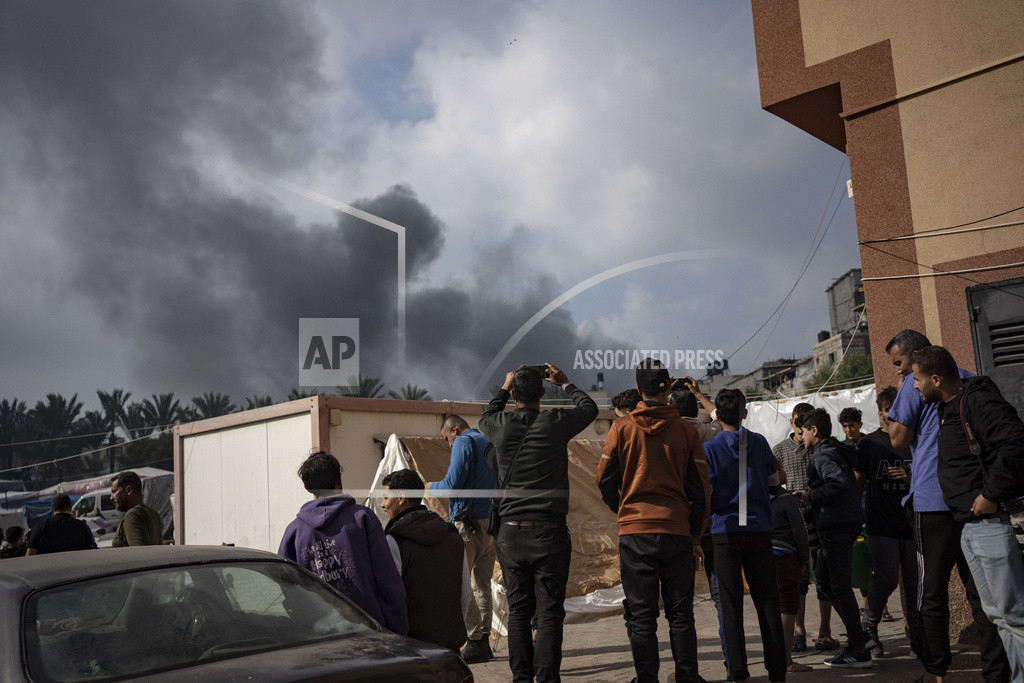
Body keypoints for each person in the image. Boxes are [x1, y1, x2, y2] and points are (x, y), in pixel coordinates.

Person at [886, 329, 1010, 683]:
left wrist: (895, 415)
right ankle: (996, 674)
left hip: (931, 500)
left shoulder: (916, 384)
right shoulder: (970, 380)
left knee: (932, 593)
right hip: (974, 500)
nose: (901, 374)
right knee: (983, 595)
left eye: (900, 364)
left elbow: (897, 438)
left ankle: (936, 673)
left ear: (917, 358)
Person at [478, 363, 597, 683]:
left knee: (518, 612)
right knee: (548, 615)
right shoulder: (555, 422)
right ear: (543, 393)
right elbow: (589, 408)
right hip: (550, 533)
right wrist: (566, 383)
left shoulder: (498, 425)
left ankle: (521, 678)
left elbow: (485, 417)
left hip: (511, 534)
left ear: (514, 394)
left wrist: (504, 387)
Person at [913, 345, 1024, 681]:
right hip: (969, 525)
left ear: (936, 378)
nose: (914, 386)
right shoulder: (948, 408)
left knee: (1013, 616)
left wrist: (991, 494)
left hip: (989, 523)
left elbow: (1017, 443)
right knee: (998, 616)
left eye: (916, 379)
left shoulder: (976, 400)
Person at [596, 358, 711, 683]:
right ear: (669, 387)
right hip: (676, 533)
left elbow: (603, 480)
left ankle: (647, 679)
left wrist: (624, 509)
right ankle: (687, 676)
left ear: (637, 389)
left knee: (642, 616)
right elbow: (701, 490)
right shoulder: (687, 431)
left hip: (635, 534)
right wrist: (696, 536)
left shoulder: (621, 428)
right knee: (680, 614)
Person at [703, 388, 788, 683]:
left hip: (725, 531)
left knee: (730, 603)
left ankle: (737, 669)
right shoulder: (759, 442)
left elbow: (707, 491)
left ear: (717, 414)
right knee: (767, 602)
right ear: (745, 413)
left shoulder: (711, 449)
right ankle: (777, 669)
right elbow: (774, 478)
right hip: (759, 529)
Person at [278, 451, 409, 635]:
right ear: (339, 478)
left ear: (307, 487)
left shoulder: (294, 532)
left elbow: (288, 589)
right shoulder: (362, 519)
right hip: (370, 634)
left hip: (319, 637)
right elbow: (388, 582)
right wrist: (398, 631)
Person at [797, 408, 871, 668]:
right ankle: (858, 636)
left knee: (838, 585)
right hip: (840, 523)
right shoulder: (832, 449)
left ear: (814, 431)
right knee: (826, 583)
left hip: (836, 526)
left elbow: (837, 483)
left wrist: (810, 497)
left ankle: (859, 648)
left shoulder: (824, 453)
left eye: (803, 431)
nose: (801, 435)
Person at [427, 414, 498, 663]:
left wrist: (429, 487)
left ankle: (475, 640)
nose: (448, 445)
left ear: (454, 430)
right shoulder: (489, 440)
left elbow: (451, 485)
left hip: (468, 525)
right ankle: (485, 641)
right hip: (492, 523)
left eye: (447, 439)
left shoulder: (462, 442)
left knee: (460, 585)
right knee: (482, 584)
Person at [854, 386, 918, 656]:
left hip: (913, 524)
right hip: (881, 524)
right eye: (887, 412)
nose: (891, 417)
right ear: (879, 412)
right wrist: (854, 518)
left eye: (896, 411)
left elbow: (927, 481)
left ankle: (918, 639)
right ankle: (869, 625)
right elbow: (858, 483)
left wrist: (908, 478)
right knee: (887, 578)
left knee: (916, 585)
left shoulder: (914, 440)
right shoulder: (868, 444)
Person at [381, 468, 469, 653]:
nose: (382, 505)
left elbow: (392, 601)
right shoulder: (452, 535)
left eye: (386, 498)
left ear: (401, 497)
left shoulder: (395, 540)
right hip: (450, 646)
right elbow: (466, 594)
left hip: (414, 648)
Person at [772, 402, 821, 652]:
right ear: (792, 422)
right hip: (792, 524)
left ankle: (825, 631)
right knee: (798, 582)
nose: (801, 423)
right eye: (797, 419)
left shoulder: (818, 447)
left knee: (824, 577)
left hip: (819, 520)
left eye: (806, 419)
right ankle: (799, 631)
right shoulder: (779, 450)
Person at [771, 481, 812, 673]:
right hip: (785, 558)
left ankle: (773, 658)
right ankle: (786, 661)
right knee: (787, 607)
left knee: (770, 608)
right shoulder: (786, 500)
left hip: (761, 558)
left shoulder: (752, 499)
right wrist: (804, 560)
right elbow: (800, 533)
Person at [25, 493, 96, 555]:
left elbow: (30, 554)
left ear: (52, 510)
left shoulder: (41, 526)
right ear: (71, 508)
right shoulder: (82, 526)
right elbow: (91, 551)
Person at [110, 471, 162, 547]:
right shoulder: (153, 514)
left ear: (128, 490)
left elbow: (140, 553)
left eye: (114, 492)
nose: (111, 498)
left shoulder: (133, 515)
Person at [668, 375, 723, 443]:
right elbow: (720, 415)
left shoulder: (662, 431)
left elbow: (651, 414)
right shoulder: (711, 432)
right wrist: (698, 394)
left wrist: (663, 394)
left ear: (671, 412)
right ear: (696, 412)